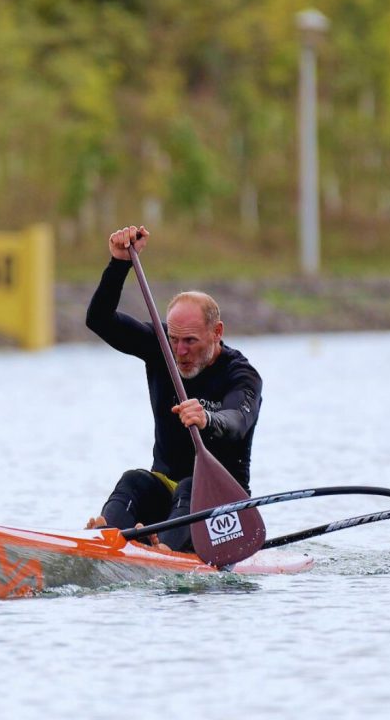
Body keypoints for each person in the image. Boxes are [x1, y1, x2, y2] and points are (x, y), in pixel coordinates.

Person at [84, 225, 263, 552]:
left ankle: (162, 550)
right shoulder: (160, 347)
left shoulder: (242, 375)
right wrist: (118, 263)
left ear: (217, 332)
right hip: (166, 494)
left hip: (220, 505)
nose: (179, 350)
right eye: (174, 339)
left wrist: (209, 418)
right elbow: (99, 319)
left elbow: (237, 420)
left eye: (190, 341)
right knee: (133, 481)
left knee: (189, 488)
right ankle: (109, 538)